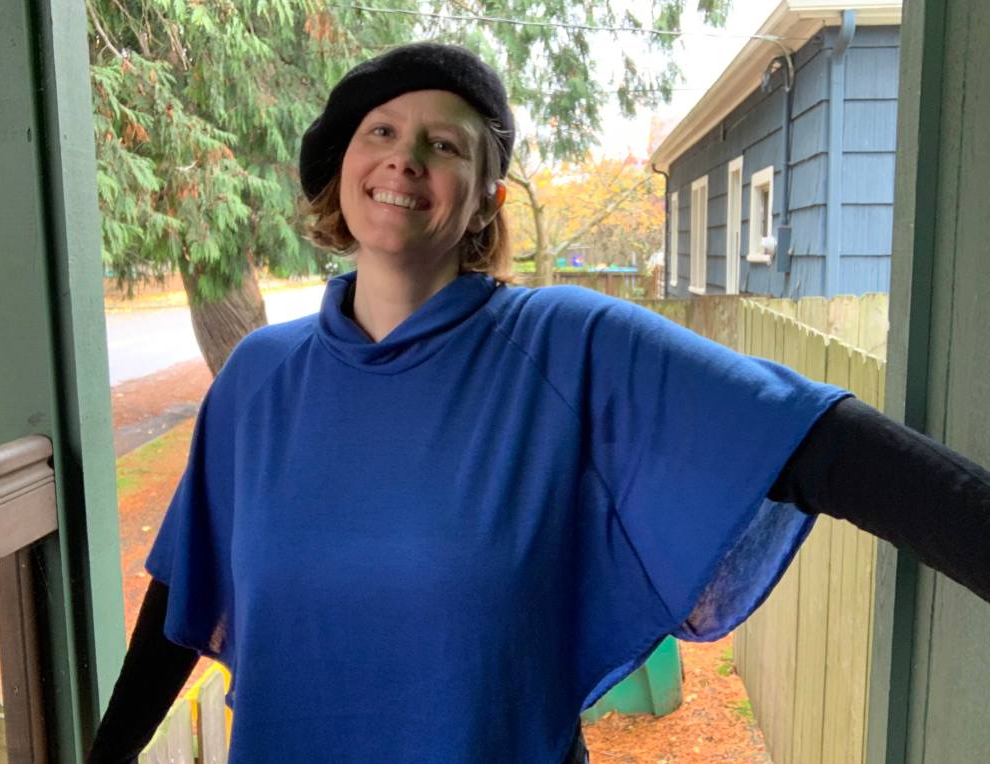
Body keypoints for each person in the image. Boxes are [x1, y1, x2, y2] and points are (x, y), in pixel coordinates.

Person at [89, 42, 990, 763]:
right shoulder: (258, 377)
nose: (405, 157)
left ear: (485, 198)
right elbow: (180, 596)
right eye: (382, 131)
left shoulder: (566, 345)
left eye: (445, 144)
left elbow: (813, 439)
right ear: (342, 166)